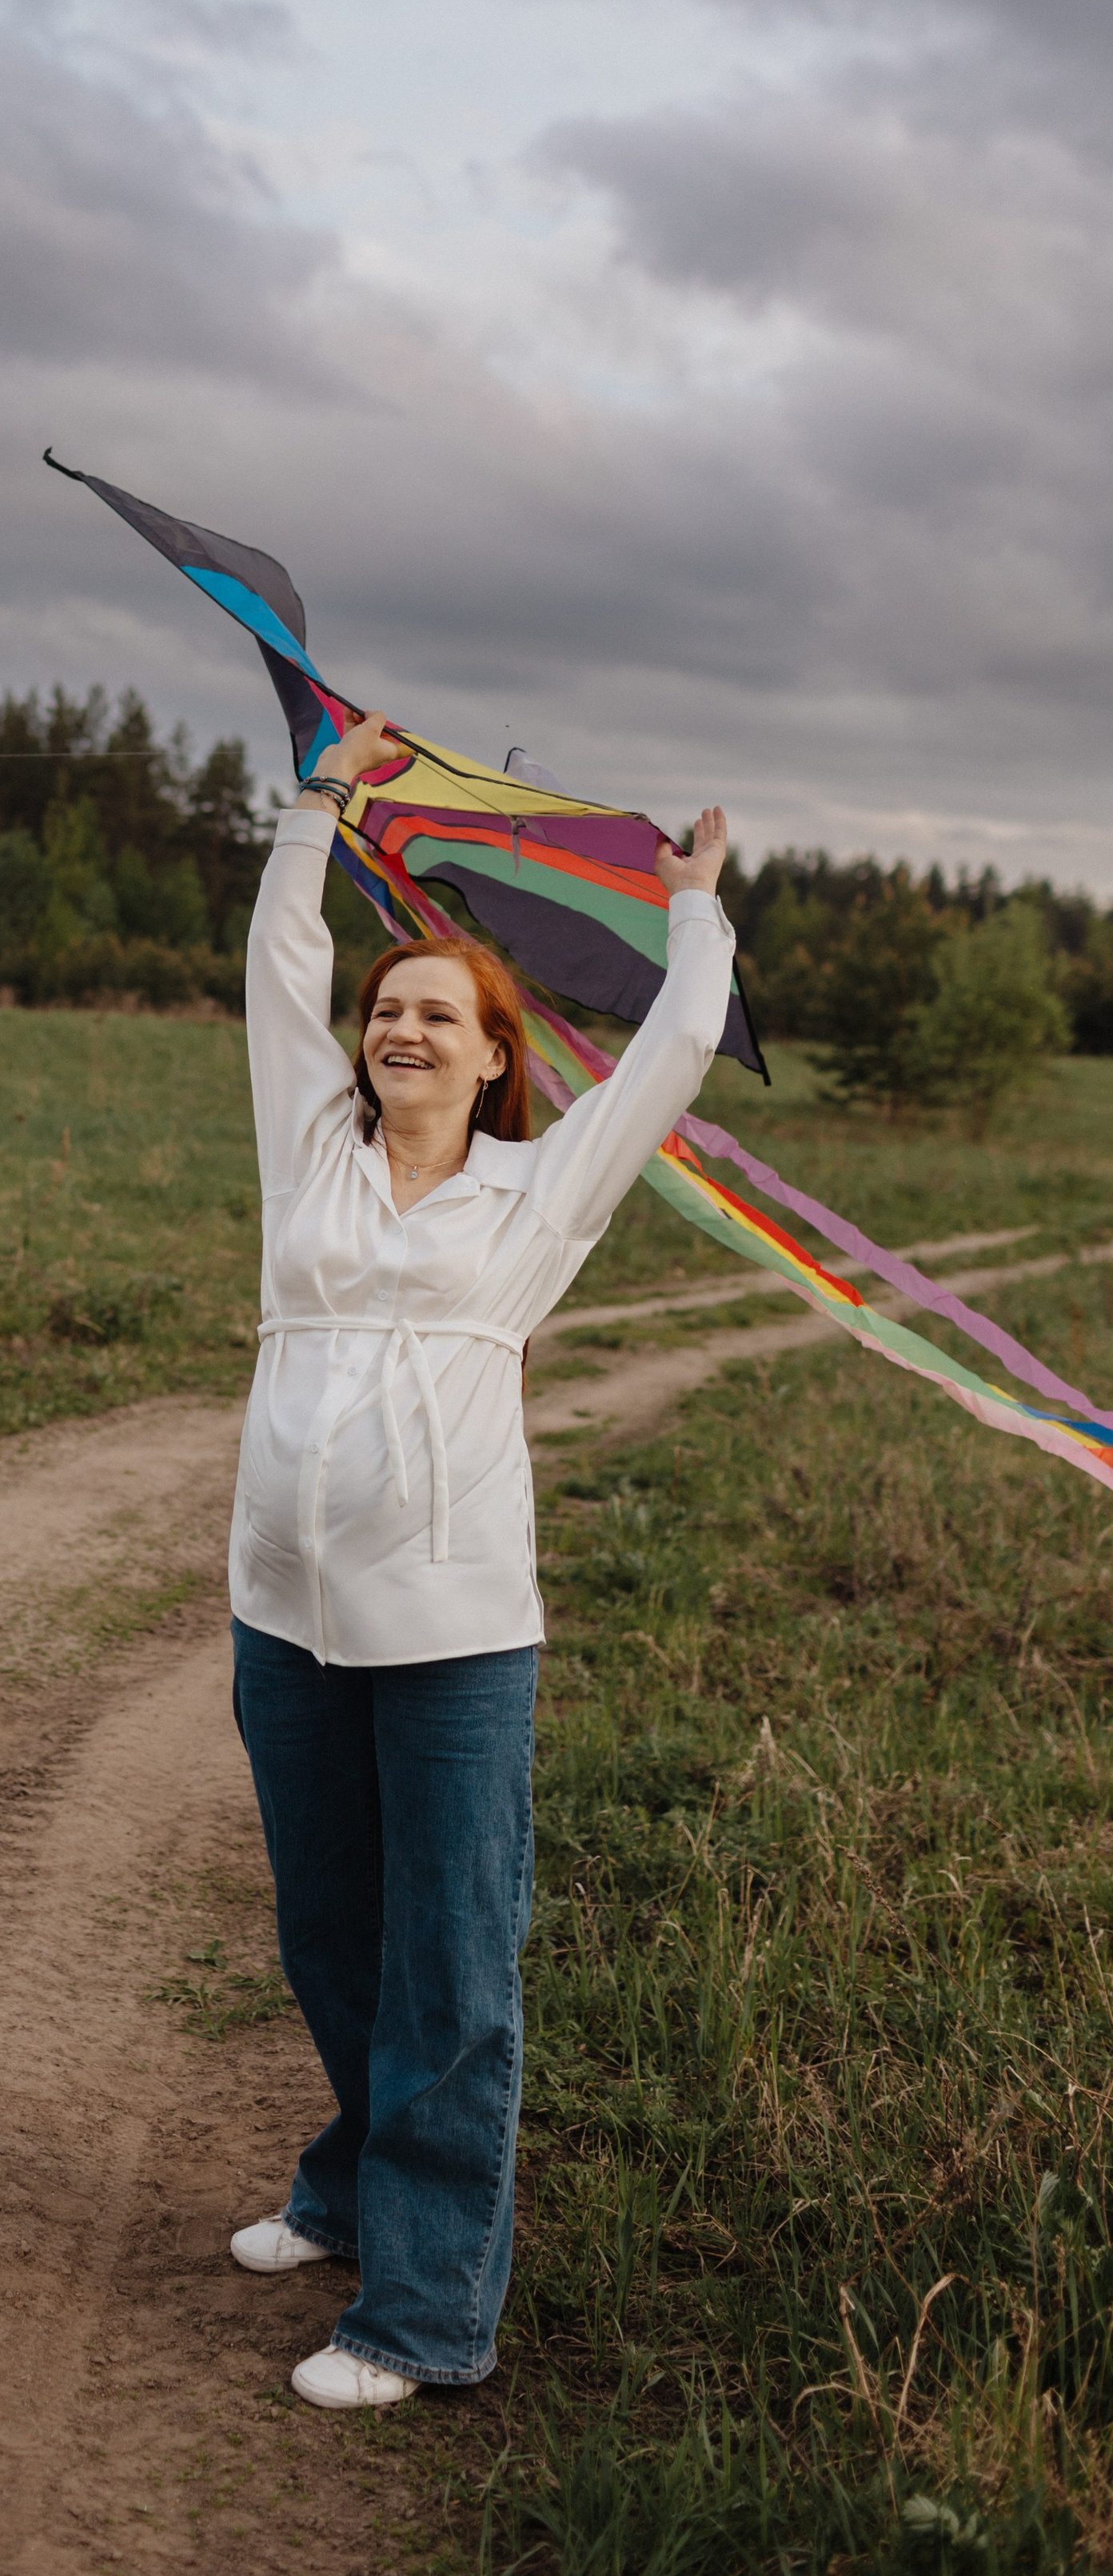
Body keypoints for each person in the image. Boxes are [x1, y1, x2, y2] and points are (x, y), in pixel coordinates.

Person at [226, 711, 733, 2410]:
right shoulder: (304, 1154)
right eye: (384, 1011)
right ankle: (353, 2184)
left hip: (449, 1638)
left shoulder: (534, 1194)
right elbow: (274, 955)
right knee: (327, 1932)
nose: (398, 1029)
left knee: (448, 1953)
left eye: (435, 1013)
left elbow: (666, 1055)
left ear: (494, 1049)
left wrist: (695, 910)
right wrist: (313, 804)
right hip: (278, 1614)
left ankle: (426, 2312)